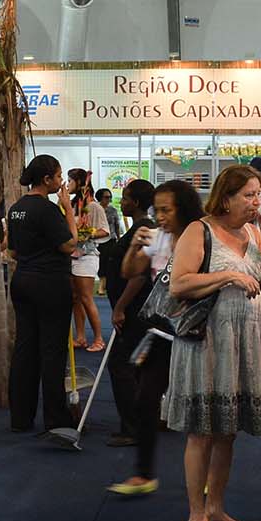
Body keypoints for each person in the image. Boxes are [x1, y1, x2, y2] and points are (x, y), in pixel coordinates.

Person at [166, 165, 261, 521]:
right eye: (247, 195)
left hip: (242, 340)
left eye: (257, 194)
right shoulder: (200, 230)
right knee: (202, 432)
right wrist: (226, 276)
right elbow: (179, 283)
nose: (255, 202)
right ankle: (196, 515)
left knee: (226, 432)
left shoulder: (254, 231)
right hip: (207, 342)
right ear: (225, 197)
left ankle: (216, 508)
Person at [108, 179, 202, 498]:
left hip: (195, 333)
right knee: (146, 398)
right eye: (156, 210)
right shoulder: (158, 239)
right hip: (162, 331)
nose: (160, 216)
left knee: (198, 406)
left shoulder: (200, 236)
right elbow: (130, 272)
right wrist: (136, 246)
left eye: (166, 210)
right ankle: (144, 473)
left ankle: (205, 474)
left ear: (183, 208)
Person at [6, 156, 77, 434]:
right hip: (50, 284)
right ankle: (56, 419)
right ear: (47, 179)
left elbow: (12, 252)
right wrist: (68, 210)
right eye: (59, 177)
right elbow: (69, 245)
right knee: (52, 351)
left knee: (25, 348)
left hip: (22, 281)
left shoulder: (16, 209)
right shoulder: (48, 210)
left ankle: (20, 418)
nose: (61, 183)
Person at [103, 178, 159, 448]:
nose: (121, 202)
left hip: (136, 309)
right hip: (137, 308)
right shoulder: (140, 227)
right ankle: (144, 420)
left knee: (121, 365)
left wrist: (120, 307)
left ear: (135, 202)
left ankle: (133, 427)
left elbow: (137, 276)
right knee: (138, 366)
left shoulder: (145, 229)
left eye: (124, 197)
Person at [67, 168, 110, 352]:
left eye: (70, 181)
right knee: (75, 298)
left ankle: (99, 338)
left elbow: (104, 230)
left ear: (79, 182)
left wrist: (87, 233)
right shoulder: (72, 204)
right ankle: (81, 337)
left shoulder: (93, 206)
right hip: (72, 256)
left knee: (86, 297)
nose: (67, 184)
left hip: (87, 257)